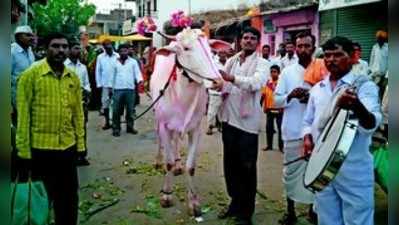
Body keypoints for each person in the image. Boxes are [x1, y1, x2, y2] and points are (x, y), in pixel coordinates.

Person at [303, 36, 381, 225]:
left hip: (353, 169)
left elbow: (372, 124)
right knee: (327, 219)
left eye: (338, 54)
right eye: (327, 55)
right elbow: (307, 120)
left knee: (358, 220)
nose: (331, 60)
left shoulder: (363, 86)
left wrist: (357, 106)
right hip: (322, 167)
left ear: (352, 57)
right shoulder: (318, 88)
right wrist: (306, 137)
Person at [16, 32, 85, 225]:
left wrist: (81, 145)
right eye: (55, 46)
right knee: (41, 201)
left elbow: (78, 114)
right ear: (45, 49)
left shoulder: (73, 77)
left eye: (64, 46)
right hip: (40, 151)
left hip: (67, 149)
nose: (60, 50)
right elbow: (23, 116)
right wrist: (23, 152)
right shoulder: (31, 75)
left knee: (69, 200)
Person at [213, 27, 270, 225]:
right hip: (228, 121)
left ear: (257, 42)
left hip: (248, 126)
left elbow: (255, 83)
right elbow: (222, 84)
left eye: (253, 38)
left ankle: (246, 213)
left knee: (247, 169)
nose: (248, 41)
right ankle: (235, 204)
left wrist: (231, 79)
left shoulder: (263, 63)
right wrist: (218, 84)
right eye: (245, 38)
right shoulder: (232, 60)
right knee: (230, 167)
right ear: (240, 41)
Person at [274, 31, 317, 225]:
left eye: (307, 46)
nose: (303, 49)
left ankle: (313, 211)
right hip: (292, 130)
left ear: (313, 48)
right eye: (299, 46)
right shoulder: (287, 72)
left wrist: (311, 98)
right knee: (290, 173)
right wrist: (290, 96)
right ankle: (290, 211)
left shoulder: (322, 70)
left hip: (316, 132)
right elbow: (275, 100)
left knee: (315, 173)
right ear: (295, 48)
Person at [65, 40, 91, 166]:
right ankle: (70, 155)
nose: (78, 51)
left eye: (79, 49)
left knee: (81, 129)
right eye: (75, 48)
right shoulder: (64, 66)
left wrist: (87, 91)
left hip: (81, 103)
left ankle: (82, 155)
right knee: (68, 129)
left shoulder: (83, 67)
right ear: (69, 50)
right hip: (66, 103)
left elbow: (86, 83)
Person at [111, 44, 143, 137]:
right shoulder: (115, 62)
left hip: (130, 89)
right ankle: (116, 128)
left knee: (130, 110)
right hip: (118, 89)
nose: (123, 53)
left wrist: (140, 81)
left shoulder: (133, 62)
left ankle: (130, 127)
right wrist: (110, 88)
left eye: (125, 51)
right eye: (121, 51)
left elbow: (137, 73)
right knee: (116, 111)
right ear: (119, 52)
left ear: (128, 52)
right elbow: (112, 76)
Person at [11, 25, 35, 127]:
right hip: (15, 98)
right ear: (19, 37)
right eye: (28, 35)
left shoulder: (30, 51)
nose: (32, 38)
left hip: (29, 97)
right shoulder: (11, 52)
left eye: (32, 35)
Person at [95, 39, 119, 130]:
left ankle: (114, 122)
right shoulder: (100, 57)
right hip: (105, 84)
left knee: (115, 104)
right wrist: (99, 84)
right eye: (106, 47)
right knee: (105, 104)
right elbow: (98, 71)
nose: (108, 48)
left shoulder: (117, 56)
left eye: (109, 46)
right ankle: (107, 122)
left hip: (115, 84)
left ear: (112, 46)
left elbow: (119, 70)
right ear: (104, 47)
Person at [261, 64, 283, 152]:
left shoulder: (281, 83)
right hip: (269, 108)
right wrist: (262, 105)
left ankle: (281, 147)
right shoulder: (267, 83)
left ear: (278, 73)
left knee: (280, 128)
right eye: (271, 72)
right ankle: (269, 145)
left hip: (279, 109)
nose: (273, 74)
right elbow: (263, 95)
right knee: (269, 128)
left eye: (275, 72)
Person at [206, 49, 227, 135]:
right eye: (220, 53)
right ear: (218, 54)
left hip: (226, 91)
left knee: (223, 110)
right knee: (212, 111)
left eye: (223, 52)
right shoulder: (214, 63)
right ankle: (209, 127)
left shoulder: (229, 62)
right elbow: (209, 76)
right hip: (215, 91)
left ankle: (221, 126)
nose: (222, 54)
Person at [369, 30, 388, 96]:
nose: (378, 40)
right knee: (374, 90)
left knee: (383, 92)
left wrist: (386, 76)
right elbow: (372, 59)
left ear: (384, 39)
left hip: (384, 75)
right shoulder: (374, 47)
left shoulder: (387, 47)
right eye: (378, 38)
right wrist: (371, 70)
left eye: (380, 39)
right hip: (375, 73)